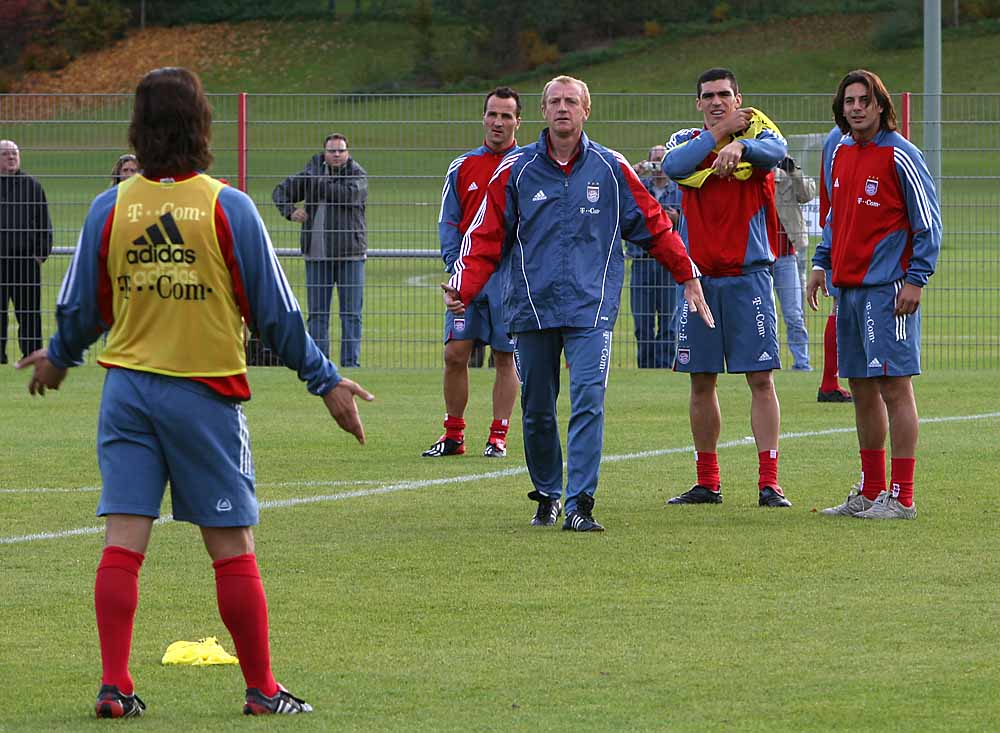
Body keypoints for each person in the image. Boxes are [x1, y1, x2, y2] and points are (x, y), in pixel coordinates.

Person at [16, 67, 374, 717]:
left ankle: (114, 684)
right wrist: (326, 380)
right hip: (202, 394)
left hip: (126, 391)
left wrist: (59, 358)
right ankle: (263, 688)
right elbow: (278, 313)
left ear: (138, 129)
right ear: (202, 125)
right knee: (231, 547)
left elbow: (82, 306)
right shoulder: (225, 206)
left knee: (123, 539)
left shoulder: (112, 206)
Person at [442, 75, 713, 532]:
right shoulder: (514, 170)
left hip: (592, 309)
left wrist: (686, 273)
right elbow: (486, 235)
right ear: (543, 111)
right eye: (554, 101)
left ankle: (580, 503)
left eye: (571, 101)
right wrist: (463, 286)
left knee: (589, 398)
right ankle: (547, 493)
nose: (563, 108)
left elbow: (653, 224)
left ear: (587, 110)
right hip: (531, 307)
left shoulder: (611, 168)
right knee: (538, 406)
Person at [807, 69, 941, 520]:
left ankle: (902, 497)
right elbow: (835, 218)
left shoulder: (901, 155)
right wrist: (821, 262)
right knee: (861, 388)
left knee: (893, 388)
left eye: (864, 99)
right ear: (841, 108)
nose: (856, 107)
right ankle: (871, 491)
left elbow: (928, 223)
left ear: (881, 105)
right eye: (849, 101)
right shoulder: (840, 152)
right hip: (847, 290)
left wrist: (916, 278)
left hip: (888, 291)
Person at [661, 67, 792, 508]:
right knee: (701, 380)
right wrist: (719, 134)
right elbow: (673, 167)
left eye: (724, 95)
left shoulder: (757, 136)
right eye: (708, 96)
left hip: (748, 277)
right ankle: (707, 481)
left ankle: (769, 482)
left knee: (760, 378)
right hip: (699, 280)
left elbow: (778, 150)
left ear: (739, 98)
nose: (716, 101)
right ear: (698, 103)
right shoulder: (687, 143)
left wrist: (740, 143)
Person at [422, 87, 521, 459]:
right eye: (492, 114)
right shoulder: (462, 166)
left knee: (504, 355)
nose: (498, 122)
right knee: (455, 353)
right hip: (468, 275)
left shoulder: (526, 165)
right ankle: (453, 435)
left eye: (506, 116)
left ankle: (498, 436)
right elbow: (449, 218)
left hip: (509, 278)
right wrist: (455, 265)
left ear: (518, 121)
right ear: (483, 117)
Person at [272, 133, 368, 366]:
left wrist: (317, 180)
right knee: (317, 315)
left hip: (350, 255)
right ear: (325, 153)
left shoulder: (357, 175)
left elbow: (346, 195)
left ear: (348, 153)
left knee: (351, 315)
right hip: (317, 256)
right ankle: (319, 364)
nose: (336, 155)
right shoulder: (312, 173)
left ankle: (350, 365)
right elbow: (280, 192)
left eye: (341, 151)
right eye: (332, 151)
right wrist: (290, 210)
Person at [628, 144, 683, 368]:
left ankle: (663, 367)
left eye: (663, 159)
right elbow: (621, 197)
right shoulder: (639, 187)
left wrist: (677, 219)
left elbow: (690, 220)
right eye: (655, 160)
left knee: (669, 322)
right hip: (642, 260)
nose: (659, 165)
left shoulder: (679, 190)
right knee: (643, 322)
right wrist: (634, 172)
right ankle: (645, 367)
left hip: (668, 263)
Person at [0, 139, 53, 365]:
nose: (12, 157)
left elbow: (44, 225)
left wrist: (39, 256)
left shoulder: (32, 185)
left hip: (25, 262)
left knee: (30, 314)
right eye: (6, 154)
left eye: (15, 153)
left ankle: (32, 356)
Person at [815, 126, 854, 402]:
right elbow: (835, 189)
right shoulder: (843, 138)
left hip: (837, 228)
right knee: (842, 304)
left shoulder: (833, 136)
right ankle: (830, 381)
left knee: (840, 305)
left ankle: (832, 380)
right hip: (843, 229)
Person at [772, 154, 815, 371]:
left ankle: (802, 362)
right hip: (756, 258)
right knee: (763, 314)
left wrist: (794, 171)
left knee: (793, 313)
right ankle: (766, 360)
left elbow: (807, 194)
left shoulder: (786, 177)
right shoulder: (747, 178)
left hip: (786, 254)